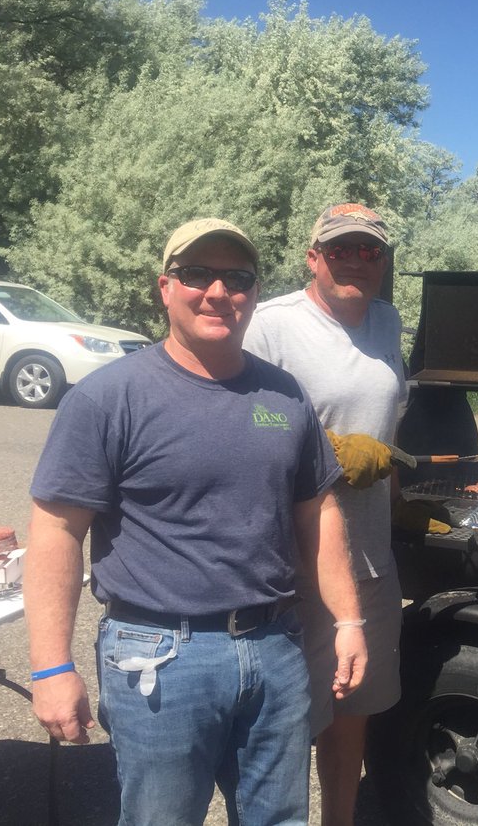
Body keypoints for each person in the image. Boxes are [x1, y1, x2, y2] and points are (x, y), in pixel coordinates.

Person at [24, 218, 368, 826]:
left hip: (274, 651)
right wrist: (52, 666)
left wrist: (347, 620)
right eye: (196, 274)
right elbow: (55, 530)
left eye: (237, 278)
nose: (217, 291)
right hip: (157, 658)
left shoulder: (284, 396)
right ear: (165, 287)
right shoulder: (109, 398)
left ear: (254, 295)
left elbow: (320, 513)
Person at [243, 202, 407, 826]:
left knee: (348, 722)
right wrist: (326, 450)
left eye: (369, 252)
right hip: (290, 568)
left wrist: (394, 491)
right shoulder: (271, 326)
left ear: (382, 261)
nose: (355, 262)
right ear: (313, 257)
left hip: (368, 560)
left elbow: (389, 415)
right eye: (340, 250)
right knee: (284, 726)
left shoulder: (387, 322)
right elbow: (236, 418)